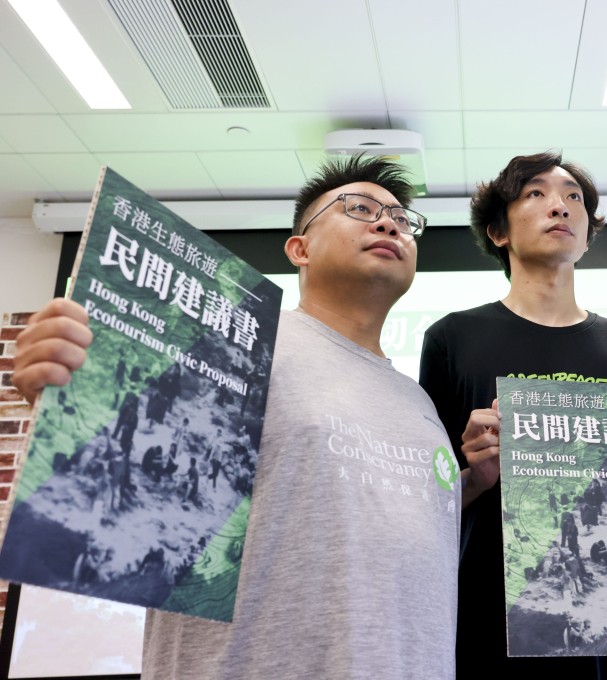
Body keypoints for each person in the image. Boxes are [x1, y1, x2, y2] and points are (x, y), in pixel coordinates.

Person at [11, 154, 475, 679]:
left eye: (401, 219)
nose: (388, 224)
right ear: (300, 249)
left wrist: (473, 481)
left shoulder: (415, 400)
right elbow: (120, 483)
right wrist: (59, 395)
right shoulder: (235, 346)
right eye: (360, 209)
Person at [418, 151, 607, 677]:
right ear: (498, 232)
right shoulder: (452, 339)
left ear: (586, 236)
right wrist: (475, 474)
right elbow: (428, 498)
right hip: (495, 623)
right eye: (535, 193)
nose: (559, 206)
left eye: (573, 197)